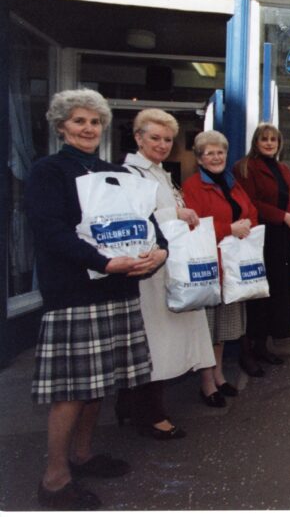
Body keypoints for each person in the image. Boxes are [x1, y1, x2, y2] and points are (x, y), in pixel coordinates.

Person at [24, 89, 168, 510]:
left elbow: (148, 226)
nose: (88, 128)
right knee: (71, 389)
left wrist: (159, 252)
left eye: (95, 122)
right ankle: (54, 479)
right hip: (75, 293)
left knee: (98, 383)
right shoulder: (47, 172)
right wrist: (104, 263)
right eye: (79, 121)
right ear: (61, 126)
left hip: (118, 289)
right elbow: (51, 232)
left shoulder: (114, 172)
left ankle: (83, 455)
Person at [119, 109, 216, 438]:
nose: (162, 144)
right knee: (155, 342)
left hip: (166, 268)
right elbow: (131, 217)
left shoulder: (159, 172)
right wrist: (174, 212)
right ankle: (150, 413)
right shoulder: (131, 172)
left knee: (160, 340)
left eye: (168, 139)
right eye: (155, 138)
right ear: (138, 137)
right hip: (150, 271)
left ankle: (135, 406)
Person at [182, 131, 259, 407]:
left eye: (220, 152)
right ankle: (206, 383)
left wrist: (246, 224)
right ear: (200, 158)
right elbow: (193, 227)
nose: (216, 157)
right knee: (207, 328)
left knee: (223, 327)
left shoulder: (232, 182)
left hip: (232, 265)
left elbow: (250, 211)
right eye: (209, 153)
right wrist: (230, 229)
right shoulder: (192, 186)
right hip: (209, 266)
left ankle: (218, 374)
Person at [234, 123, 290, 371]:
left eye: (274, 139)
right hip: (259, 236)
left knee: (275, 293)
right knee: (257, 295)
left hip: (281, 238)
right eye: (264, 139)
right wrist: (280, 217)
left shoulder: (283, 169)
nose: (269, 143)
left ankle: (263, 347)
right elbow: (249, 202)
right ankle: (249, 352)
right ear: (256, 141)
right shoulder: (245, 167)